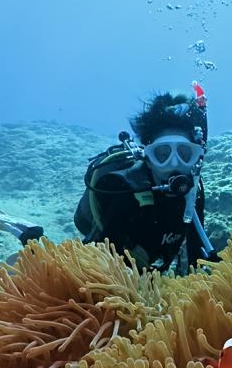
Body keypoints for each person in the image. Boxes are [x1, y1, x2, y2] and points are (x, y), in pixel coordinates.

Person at [74, 83, 215, 272]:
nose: (174, 164)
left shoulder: (194, 191)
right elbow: (105, 258)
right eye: (162, 154)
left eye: (184, 153)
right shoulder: (127, 188)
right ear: (147, 158)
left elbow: (194, 256)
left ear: (197, 157)